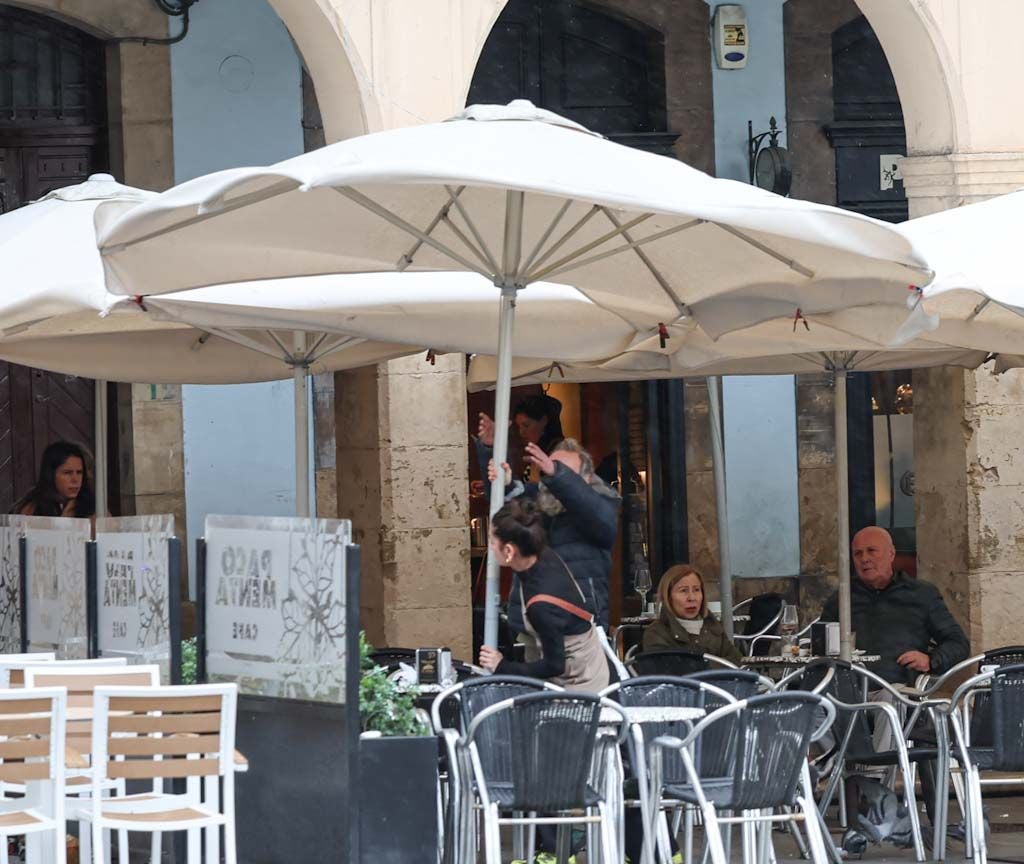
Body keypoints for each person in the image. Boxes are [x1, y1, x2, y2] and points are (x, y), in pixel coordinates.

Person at [477, 498, 609, 693]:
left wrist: (502, 666)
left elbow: (555, 665)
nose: (490, 547)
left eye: (492, 541)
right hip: (582, 662)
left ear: (508, 551)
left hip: (579, 684)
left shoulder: (541, 605)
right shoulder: (541, 553)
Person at [491, 437, 619, 630]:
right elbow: (508, 514)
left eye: (564, 472)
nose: (552, 478)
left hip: (580, 626)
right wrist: (505, 480)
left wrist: (557, 475)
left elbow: (598, 518)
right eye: (549, 470)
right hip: (531, 623)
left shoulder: (602, 503)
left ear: (587, 478)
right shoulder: (535, 500)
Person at [821, 525, 969, 685]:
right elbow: (819, 645)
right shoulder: (842, 598)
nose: (864, 559)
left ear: (891, 554)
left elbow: (958, 643)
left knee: (887, 702)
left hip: (897, 690)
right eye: (858, 553)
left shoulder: (921, 594)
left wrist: (930, 660)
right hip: (847, 688)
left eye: (872, 551)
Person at [641, 563, 743, 664]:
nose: (692, 598)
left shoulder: (713, 628)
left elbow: (737, 662)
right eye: (683, 591)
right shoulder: (656, 633)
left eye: (696, 590)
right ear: (668, 597)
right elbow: (670, 670)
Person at [476, 393, 564, 482]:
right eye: (519, 427)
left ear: (543, 421)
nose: (521, 432)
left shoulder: (558, 453)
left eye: (526, 425)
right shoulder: (540, 451)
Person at [13, 441, 96, 521]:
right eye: (67, 473)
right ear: (51, 475)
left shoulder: (93, 506)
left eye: (79, 472)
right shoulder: (33, 507)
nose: (75, 479)